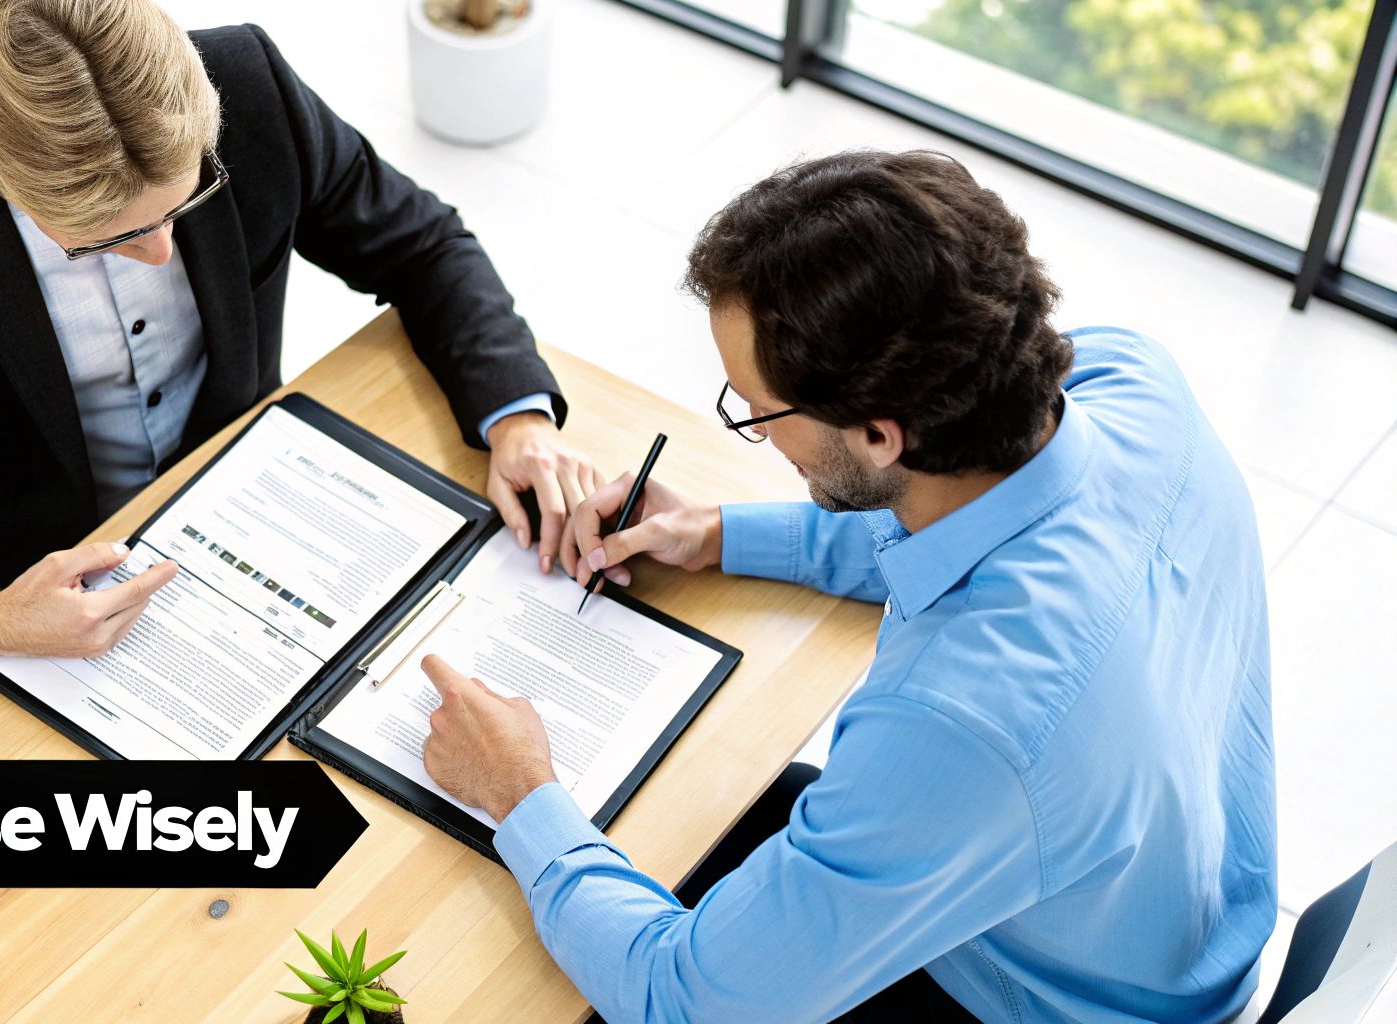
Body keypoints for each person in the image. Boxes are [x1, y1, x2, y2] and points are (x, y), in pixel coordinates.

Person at [419, 150, 1276, 1022]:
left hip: (1031, 995)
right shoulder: (1128, 383)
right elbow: (972, 519)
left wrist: (516, 788)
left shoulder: (962, 720)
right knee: (688, 809)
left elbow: (683, 1003)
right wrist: (715, 533)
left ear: (878, 435)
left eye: (755, 412)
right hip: (1164, 918)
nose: (756, 430)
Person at [0, 0, 598, 686]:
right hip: (25, 588)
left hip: (246, 507)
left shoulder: (251, 83)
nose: (162, 252)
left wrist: (516, 418)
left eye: (184, 204)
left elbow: (420, 244)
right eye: (106, 239)